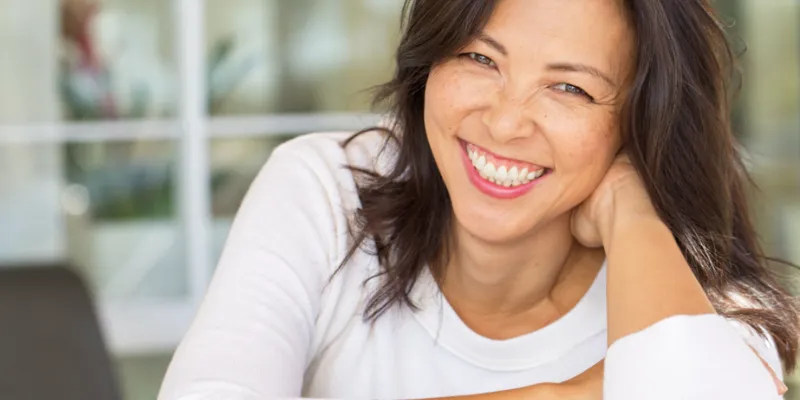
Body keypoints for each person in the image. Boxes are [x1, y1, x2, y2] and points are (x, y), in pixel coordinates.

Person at [158, 0, 799, 399]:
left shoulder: (699, 308)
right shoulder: (328, 187)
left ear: (641, 123)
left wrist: (631, 206)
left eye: (570, 90)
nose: (505, 122)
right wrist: (566, 396)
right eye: (478, 57)